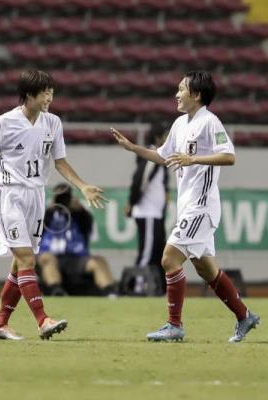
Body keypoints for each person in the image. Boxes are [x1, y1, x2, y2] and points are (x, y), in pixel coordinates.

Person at [112, 70, 260, 342]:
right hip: (188, 205)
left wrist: (195, 160)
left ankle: (174, 325)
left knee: (168, 258)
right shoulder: (180, 124)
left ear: (197, 94)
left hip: (201, 207)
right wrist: (133, 148)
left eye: (181, 88)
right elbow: (161, 156)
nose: (176, 94)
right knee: (206, 269)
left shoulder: (210, 122)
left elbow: (229, 157)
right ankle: (244, 316)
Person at [0, 70, 106, 341]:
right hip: (11, 196)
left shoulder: (53, 123)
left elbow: (60, 161)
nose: (50, 97)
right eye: (45, 93)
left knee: (19, 265)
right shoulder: (3, 123)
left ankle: (0, 325)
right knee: (27, 259)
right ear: (29, 95)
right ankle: (42, 320)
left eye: (52, 92)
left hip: (37, 197)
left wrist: (83, 185)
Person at [38, 184, 116, 297]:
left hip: (77, 259)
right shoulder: (48, 215)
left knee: (98, 261)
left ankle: (110, 292)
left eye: (65, 198)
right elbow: (36, 228)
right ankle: (56, 290)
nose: (63, 202)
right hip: (52, 256)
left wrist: (81, 210)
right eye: (60, 198)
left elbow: (88, 224)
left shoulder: (80, 216)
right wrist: (51, 208)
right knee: (47, 259)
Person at [125, 122, 169, 295]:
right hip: (147, 212)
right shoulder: (152, 155)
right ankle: (136, 286)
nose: (168, 139)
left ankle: (159, 288)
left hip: (155, 213)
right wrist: (132, 202)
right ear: (158, 137)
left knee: (158, 252)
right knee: (147, 253)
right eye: (165, 136)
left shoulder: (159, 156)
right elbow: (139, 180)